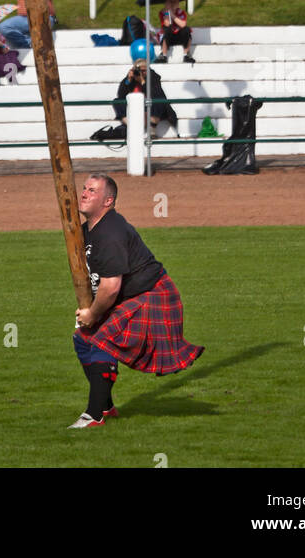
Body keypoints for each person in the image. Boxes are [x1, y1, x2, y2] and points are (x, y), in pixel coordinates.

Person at [70, 174, 203, 427]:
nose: (84, 193)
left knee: (101, 340)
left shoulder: (110, 232)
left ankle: (93, 415)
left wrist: (92, 314)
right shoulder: (89, 229)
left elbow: (110, 288)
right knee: (83, 339)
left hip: (151, 295)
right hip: (129, 295)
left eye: (93, 191)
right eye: (84, 188)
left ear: (108, 201)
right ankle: (105, 407)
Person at [90, 58, 178, 144]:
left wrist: (143, 82)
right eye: (140, 70)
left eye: (145, 70)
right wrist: (128, 80)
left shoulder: (154, 77)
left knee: (158, 100)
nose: (142, 73)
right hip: (137, 110)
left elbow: (154, 94)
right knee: (117, 101)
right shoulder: (133, 77)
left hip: (152, 110)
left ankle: (152, 130)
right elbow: (121, 95)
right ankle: (132, 127)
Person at [156, 0, 193, 64]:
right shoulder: (163, 12)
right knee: (167, 30)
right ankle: (163, 55)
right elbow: (167, 24)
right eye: (170, 2)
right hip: (168, 38)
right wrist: (168, 13)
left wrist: (172, 15)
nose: (172, 4)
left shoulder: (181, 12)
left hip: (180, 37)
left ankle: (186, 54)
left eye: (175, 2)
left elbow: (183, 24)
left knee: (187, 30)